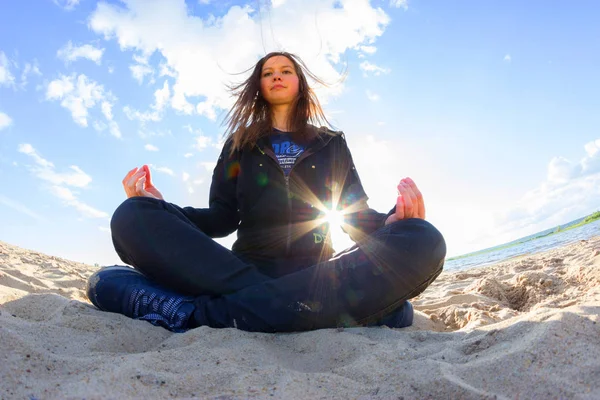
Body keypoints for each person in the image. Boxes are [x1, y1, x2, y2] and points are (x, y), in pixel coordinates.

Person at [86, 52, 446, 333]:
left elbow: (353, 215)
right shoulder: (239, 145)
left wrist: (391, 221)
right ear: (258, 85)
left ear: (300, 83)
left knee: (423, 239)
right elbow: (220, 218)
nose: (276, 75)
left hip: (317, 272)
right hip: (243, 270)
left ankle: (198, 314)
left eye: (286, 70)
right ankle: (289, 308)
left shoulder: (331, 143)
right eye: (268, 72)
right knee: (131, 216)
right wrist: (162, 208)